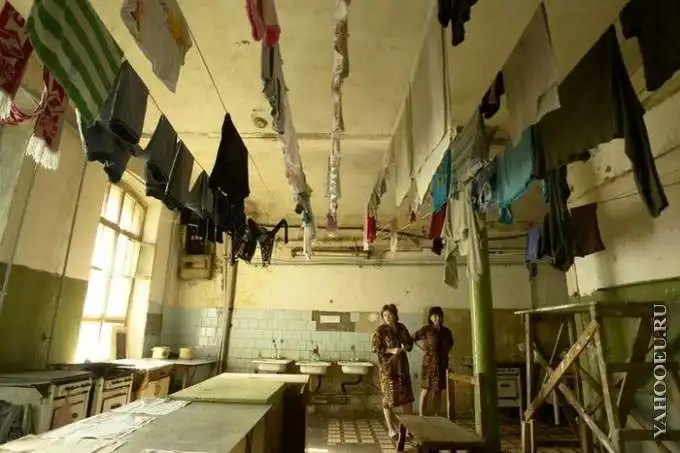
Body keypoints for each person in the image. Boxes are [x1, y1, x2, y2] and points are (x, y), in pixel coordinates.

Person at [371, 303, 414, 438]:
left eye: (389, 315)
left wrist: (405, 346)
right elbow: (375, 349)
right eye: (384, 315)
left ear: (395, 315)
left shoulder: (402, 328)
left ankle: (409, 428)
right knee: (388, 397)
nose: (387, 318)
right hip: (388, 368)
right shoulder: (380, 331)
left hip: (402, 367)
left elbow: (409, 344)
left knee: (406, 397)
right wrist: (391, 350)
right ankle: (390, 429)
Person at [413, 306, 454, 416]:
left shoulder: (446, 331)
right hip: (429, 363)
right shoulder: (426, 329)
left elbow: (450, 344)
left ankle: (436, 415)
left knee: (439, 390)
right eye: (435, 316)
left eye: (439, 316)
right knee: (426, 389)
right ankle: (421, 415)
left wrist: (446, 354)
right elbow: (413, 338)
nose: (437, 318)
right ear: (430, 317)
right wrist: (422, 350)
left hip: (442, 364)